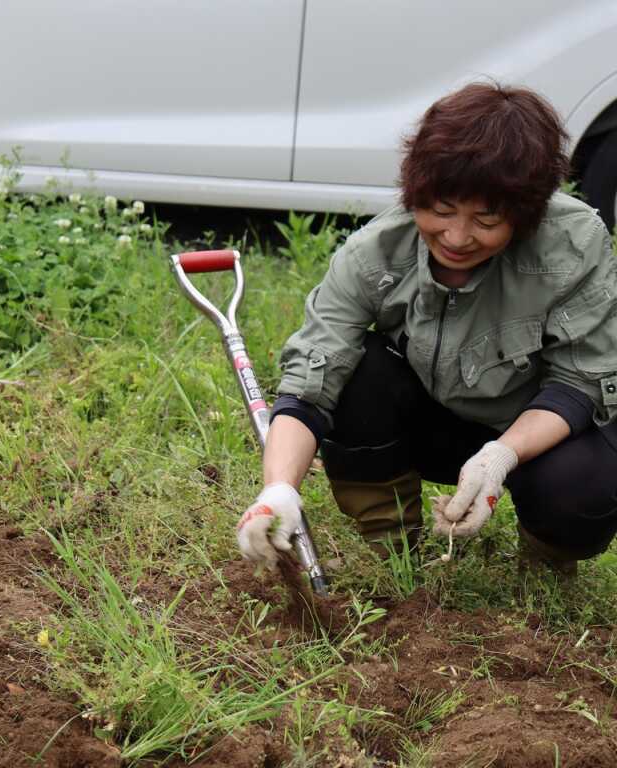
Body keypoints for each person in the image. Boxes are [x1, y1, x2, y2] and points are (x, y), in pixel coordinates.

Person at [237, 82, 617, 576]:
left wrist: (501, 456)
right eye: (440, 210)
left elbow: (579, 381)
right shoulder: (374, 254)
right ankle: (393, 550)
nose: (457, 237)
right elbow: (310, 384)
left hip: (537, 433)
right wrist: (278, 488)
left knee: (583, 486)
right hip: (433, 426)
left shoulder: (574, 243)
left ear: (526, 215)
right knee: (357, 372)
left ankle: (546, 560)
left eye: (486, 220)